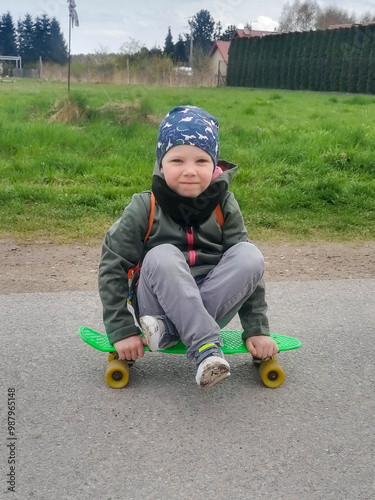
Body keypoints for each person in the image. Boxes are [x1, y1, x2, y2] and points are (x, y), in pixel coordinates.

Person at [98, 105, 278, 388]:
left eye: (202, 161)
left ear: (214, 165)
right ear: (161, 162)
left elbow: (250, 278)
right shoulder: (144, 206)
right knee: (162, 254)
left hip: (210, 302)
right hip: (154, 304)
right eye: (177, 160)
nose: (190, 171)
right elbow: (112, 265)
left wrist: (256, 329)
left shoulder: (224, 205)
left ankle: (170, 330)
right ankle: (206, 349)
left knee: (250, 256)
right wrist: (121, 329)